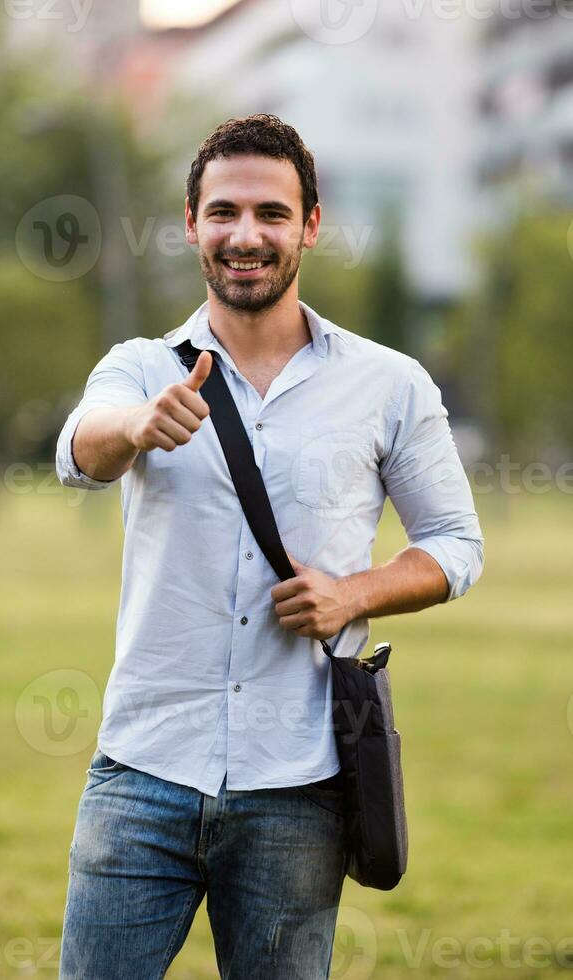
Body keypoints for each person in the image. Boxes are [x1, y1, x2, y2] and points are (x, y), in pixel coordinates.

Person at [56, 114, 483, 979]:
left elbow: (456, 544)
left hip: (299, 786)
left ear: (310, 226)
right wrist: (138, 426)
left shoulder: (388, 383)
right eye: (223, 213)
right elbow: (78, 452)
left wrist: (354, 594)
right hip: (142, 772)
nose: (245, 236)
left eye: (271, 214)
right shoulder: (144, 366)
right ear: (191, 223)